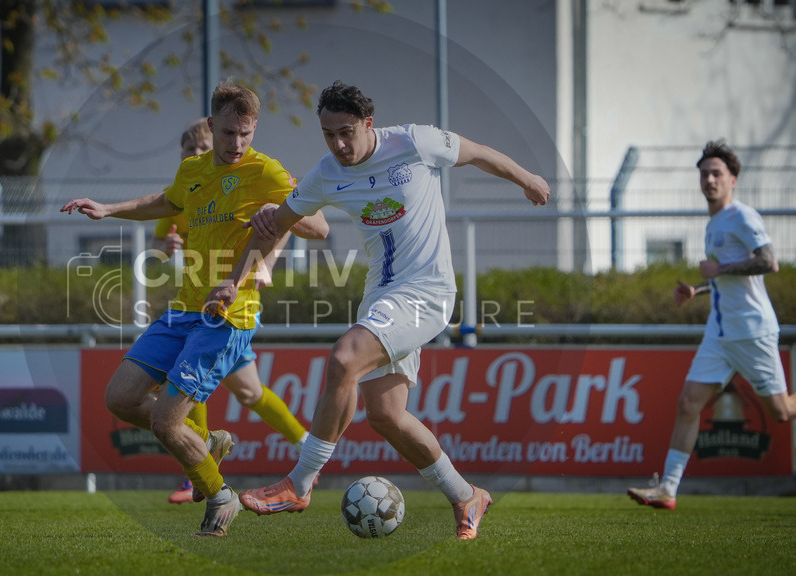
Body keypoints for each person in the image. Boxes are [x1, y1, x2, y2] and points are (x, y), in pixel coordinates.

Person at [205, 80, 551, 539]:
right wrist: (234, 279)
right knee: (386, 414)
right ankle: (467, 495)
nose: (339, 144)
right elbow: (276, 226)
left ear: (369, 124)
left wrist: (527, 179)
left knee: (344, 357)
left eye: (347, 131)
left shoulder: (413, 141)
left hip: (427, 291)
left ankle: (300, 484)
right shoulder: (327, 173)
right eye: (329, 134)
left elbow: (478, 151)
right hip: (382, 296)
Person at [61, 80, 329, 537]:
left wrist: (284, 214)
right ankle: (204, 444)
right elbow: (168, 202)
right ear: (212, 125)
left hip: (228, 316)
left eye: (245, 134)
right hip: (185, 309)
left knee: (169, 420)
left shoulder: (266, 172)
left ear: (254, 128)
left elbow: (319, 227)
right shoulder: (194, 171)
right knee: (120, 399)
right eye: (228, 134)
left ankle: (220, 497)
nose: (237, 144)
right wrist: (109, 209)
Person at [628, 140, 796, 510]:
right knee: (688, 403)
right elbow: (728, 277)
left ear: (733, 180)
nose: (709, 179)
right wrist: (697, 290)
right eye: (704, 174)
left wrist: (720, 269)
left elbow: (769, 262)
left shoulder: (743, 216)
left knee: (782, 412)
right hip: (720, 333)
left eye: (717, 173)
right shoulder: (714, 222)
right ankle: (667, 488)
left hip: (751, 330)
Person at [156, 117, 314, 506]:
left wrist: (268, 262)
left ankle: (199, 471)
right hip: (195, 301)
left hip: (232, 304)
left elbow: (288, 219)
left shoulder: (247, 177)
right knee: (249, 391)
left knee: (190, 378)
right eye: (188, 150)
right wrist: (167, 246)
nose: (195, 155)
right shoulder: (187, 187)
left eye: (201, 148)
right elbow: (162, 238)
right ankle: (307, 446)